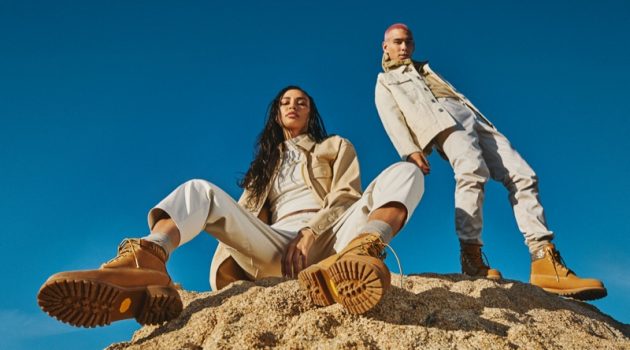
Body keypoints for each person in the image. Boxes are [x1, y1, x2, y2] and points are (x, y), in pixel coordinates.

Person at [37, 86, 425, 328]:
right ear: (277, 113)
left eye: (302, 102)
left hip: (333, 241)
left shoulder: (334, 146)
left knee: (406, 173)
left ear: (310, 112)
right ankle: (149, 259)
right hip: (274, 248)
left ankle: (366, 249)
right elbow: (240, 219)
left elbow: (345, 195)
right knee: (199, 190)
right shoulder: (264, 167)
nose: (294, 106)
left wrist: (311, 233)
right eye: (286, 102)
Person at [374, 23, 606, 300]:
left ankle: (544, 260)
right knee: (472, 172)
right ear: (385, 46)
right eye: (398, 42)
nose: (404, 48)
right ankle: (471, 256)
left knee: (524, 174)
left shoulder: (426, 69)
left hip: (473, 117)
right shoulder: (386, 81)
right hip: (440, 121)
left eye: (408, 42)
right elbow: (390, 117)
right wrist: (410, 150)